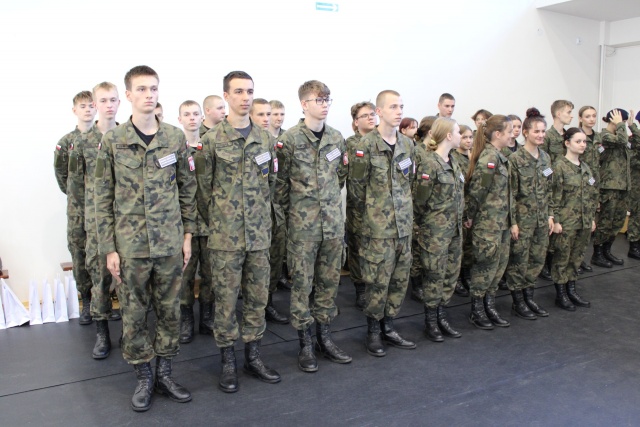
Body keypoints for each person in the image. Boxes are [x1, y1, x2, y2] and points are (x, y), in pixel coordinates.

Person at [94, 65, 196, 411]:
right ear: (128, 95)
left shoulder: (174, 138)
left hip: (169, 243)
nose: (149, 95)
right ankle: (143, 376)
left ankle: (164, 373)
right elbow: (102, 198)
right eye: (141, 89)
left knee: (170, 311)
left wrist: (187, 235)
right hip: (131, 246)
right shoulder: (113, 141)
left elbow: (187, 189)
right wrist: (109, 248)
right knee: (134, 314)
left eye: (153, 88)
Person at [198, 71, 281, 392]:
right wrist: (222, 219)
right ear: (226, 96)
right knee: (226, 301)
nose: (245, 97)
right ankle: (228, 361)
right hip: (225, 237)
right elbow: (202, 190)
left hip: (258, 235)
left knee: (258, 298)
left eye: (249, 91)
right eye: (239, 92)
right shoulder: (211, 141)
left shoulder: (265, 139)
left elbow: (271, 181)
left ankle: (254, 356)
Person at [275, 80, 352, 372]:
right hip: (302, 228)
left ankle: (325, 337)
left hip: (332, 225)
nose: (325, 105)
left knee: (329, 284)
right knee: (302, 286)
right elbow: (280, 186)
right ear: (304, 104)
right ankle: (305, 343)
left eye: (327, 100)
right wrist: (298, 214)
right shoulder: (290, 140)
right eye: (319, 100)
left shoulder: (336, 138)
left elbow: (340, 175)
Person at [349, 90, 416, 357]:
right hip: (377, 230)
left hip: (403, 227)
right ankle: (373, 331)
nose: (399, 112)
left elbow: (410, 182)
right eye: (393, 107)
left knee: (399, 281)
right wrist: (371, 220)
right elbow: (356, 190)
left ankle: (389, 327)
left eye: (401, 107)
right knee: (377, 283)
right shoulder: (365, 146)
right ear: (379, 112)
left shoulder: (408, 145)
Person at [68, 82, 122, 359]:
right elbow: (75, 186)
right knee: (100, 279)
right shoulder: (83, 142)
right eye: (103, 100)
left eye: (113, 100)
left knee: (127, 281)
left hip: (127, 224)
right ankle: (102, 334)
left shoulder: (127, 137)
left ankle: (128, 331)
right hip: (97, 224)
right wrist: (86, 222)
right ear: (95, 104)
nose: (108, 105)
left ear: (119, 102)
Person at [413, 117, 464, 342]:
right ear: (449, 136)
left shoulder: (454, 161)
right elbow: (419, 201)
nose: (462, 136)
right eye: (458, 132)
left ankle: (442, 315)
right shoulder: (429, 164)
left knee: (450, 275)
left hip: (454, 231)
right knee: (434, 276)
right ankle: (431, 321)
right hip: (435, 232)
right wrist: (423, 227)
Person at [464, 114, 513, 330]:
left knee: (498, 267)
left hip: (501, 223)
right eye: (509, 132)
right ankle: (477, 310)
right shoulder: (489, 159)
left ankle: (489, 305)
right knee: (485, 267)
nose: (512, 135)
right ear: (498, 134)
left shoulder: (500, 156)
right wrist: (469, 216)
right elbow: (477, 192)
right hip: (488, 224)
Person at [505, 108, 553, 321]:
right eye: (536, 131)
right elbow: (511, 194)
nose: (541, 135)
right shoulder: (515, 159)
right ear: (525, 132)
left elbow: (550, 190)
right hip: (523, 220)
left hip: (542, 220)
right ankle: (518, 302)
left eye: (543, 131)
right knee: (519, 261)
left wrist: (550, 215)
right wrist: (513, 222)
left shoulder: (546, 158)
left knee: (537, 259)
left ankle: (528, 296)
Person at [53, 90, 96, 326]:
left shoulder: (107, 137)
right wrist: (77, 196)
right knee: (79, 255)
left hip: (102, 210)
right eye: (83, 106)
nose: (87, 110)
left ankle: (106, 300)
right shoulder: (66, 142)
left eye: (91, 105)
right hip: (78, 211)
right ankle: (87, 300)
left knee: (106, 255)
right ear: (74, 110)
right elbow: (62, 176)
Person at [176, 100, 215, 343]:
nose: (192, 118)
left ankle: (208, 316)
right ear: (179, 119)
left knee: (211, 274)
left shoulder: (210, 146)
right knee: (185, 275)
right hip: (184, 226)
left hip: (210, 223)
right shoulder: (175, 148)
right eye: (186, 114)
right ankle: (186, 318)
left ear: (202, 117)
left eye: (195, 114)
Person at [248, 98, 289, 324]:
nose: (267, 119)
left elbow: (278, 179)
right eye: (261, 115)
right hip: (252, 216)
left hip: (275, 211)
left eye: (268, 115)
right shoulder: (247, 144)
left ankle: (268, 303)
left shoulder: (273, 143)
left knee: (273, 260)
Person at [550, 128, 597, 310]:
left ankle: (571, 289)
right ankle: (561, 294)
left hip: (583, 222)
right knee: (562, 257)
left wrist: (591, 218)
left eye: (584, 141)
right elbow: (554, 197)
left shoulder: (585, 168)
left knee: (576, 257)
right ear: (567, 143)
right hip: (566, 222)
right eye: (578, 141)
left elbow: (591, 196)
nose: (582, 145)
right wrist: (556, 220)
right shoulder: (559, 166)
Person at [346, 101, 377, 310]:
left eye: (372, 114)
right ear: (356, 122)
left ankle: (375, 287)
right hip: (358, 207)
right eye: (365, 115)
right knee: (358, 249)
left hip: (379, 209)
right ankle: (360, 289)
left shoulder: (381, 141)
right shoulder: (350, 144)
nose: (370, 118)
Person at [539, 100, 574, 281]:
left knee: (563, 226)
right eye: (568, 112)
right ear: (558, 114)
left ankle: (556, 261)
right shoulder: (548, 136)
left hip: (567, 188)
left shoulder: (569, 136)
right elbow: (542, 162)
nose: (571, 116)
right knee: (550, 225)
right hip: (551, 186)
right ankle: (545, 262)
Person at [592, 109, 631, 267]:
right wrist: (620, 124)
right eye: (622, 122)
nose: (623, 125)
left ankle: (607, 250)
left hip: (622, 186)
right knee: (605, 222)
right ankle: (597, 253)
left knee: (617, 221)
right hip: (609, 186)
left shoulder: (620, 136)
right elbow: (622, 140)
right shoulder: (604, 136)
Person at [409, 116, 437, 302]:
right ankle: (416, 284)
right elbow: (412, 180)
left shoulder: (438, 152)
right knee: (417, 248)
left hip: (434, 209)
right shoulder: (417, 152)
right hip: (418, 205)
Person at [267, 99, 290, 294]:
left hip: (285, 199)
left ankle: (280, 275)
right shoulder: (263, 139)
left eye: (282, 114)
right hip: (268, 200)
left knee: (282, 242)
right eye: (275, 114)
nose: (279, 118)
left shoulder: (287, 138)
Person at [576, 106, 601, 272]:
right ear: (580, 118)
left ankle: (581, 258)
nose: (591, 119)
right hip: (578, 183)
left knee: (588, 226)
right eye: (587, 116)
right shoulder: (576, 136)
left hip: (593, 183)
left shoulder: (598, 137)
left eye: (594, 116)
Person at [450, 124, 473, 297]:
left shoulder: (474, 157)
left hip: (472, 208)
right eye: (464, 137)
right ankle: (457, 278)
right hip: (459, 209)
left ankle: (466, 275)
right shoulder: (454, 158)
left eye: (471, 137)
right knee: (460, 247)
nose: (468, 140)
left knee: (469, 246)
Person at [628, 112, 640, 259]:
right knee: (637, 214)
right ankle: (634, 245)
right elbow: (631, 160)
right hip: (637, 183)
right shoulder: (632, 140)